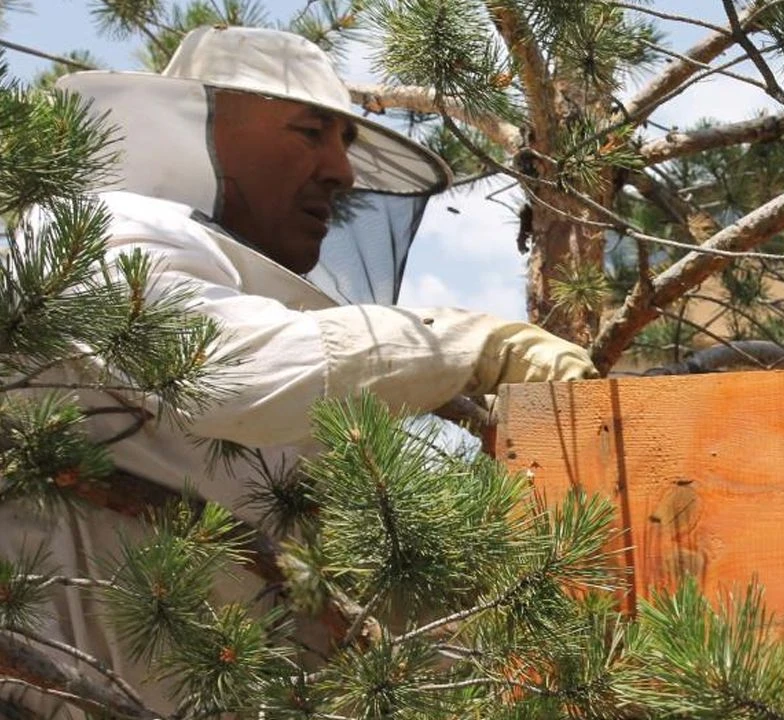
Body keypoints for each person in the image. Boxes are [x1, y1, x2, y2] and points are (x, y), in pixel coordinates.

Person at [0, 25, 596, 717]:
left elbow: (342, 598)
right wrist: (477, 345)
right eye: (311, 133)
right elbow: (225, 370)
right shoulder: (102, 229)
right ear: (203, 128)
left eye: (344, 143)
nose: (342, 174)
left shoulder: (251, 330)